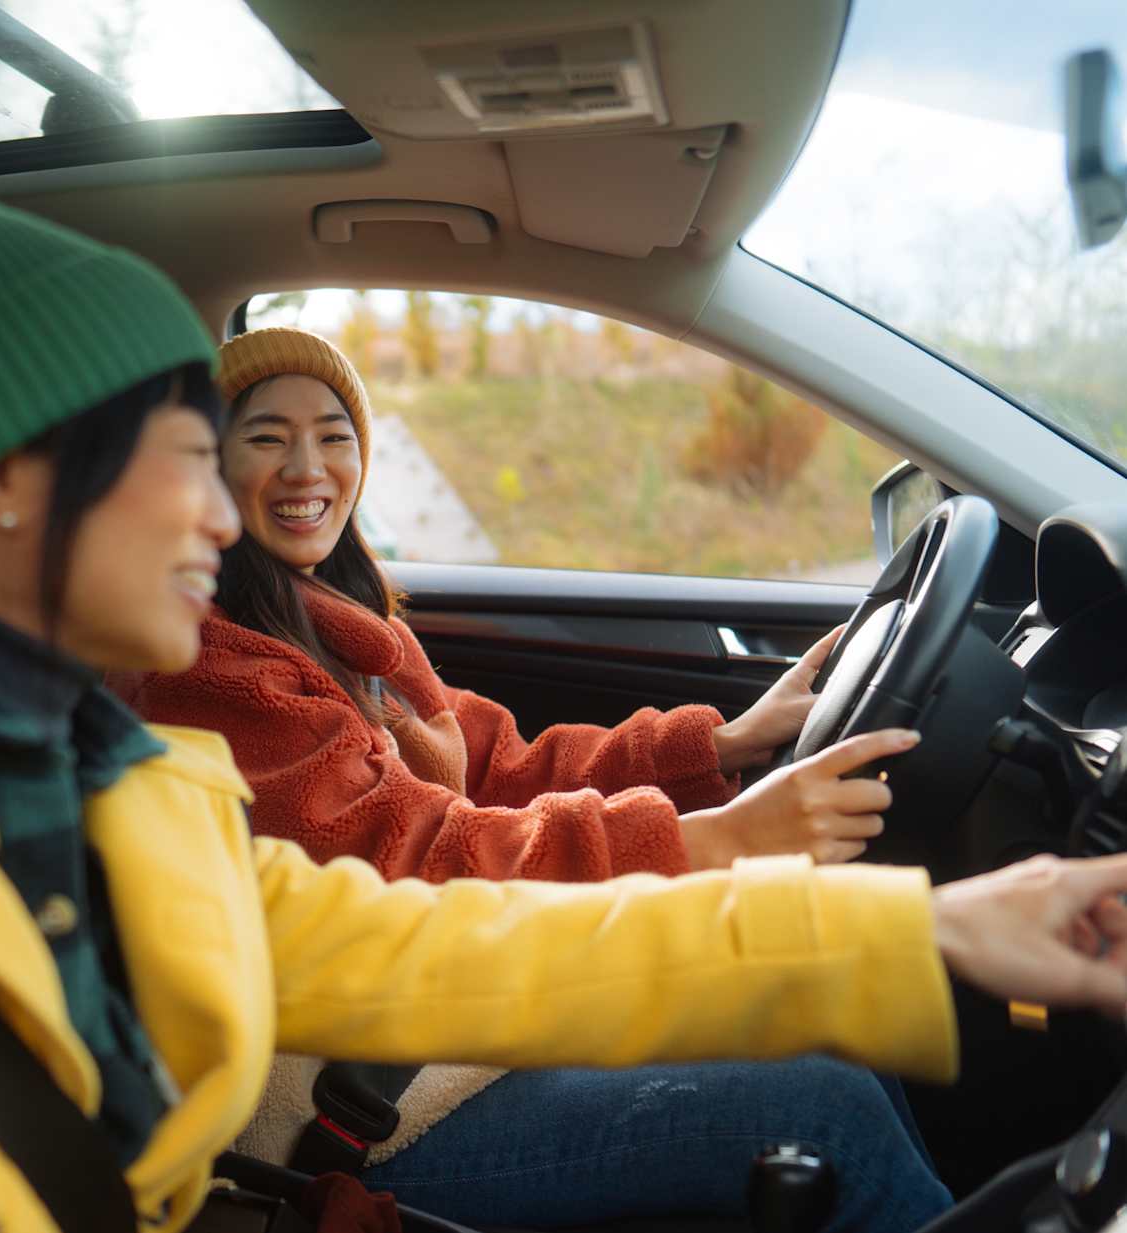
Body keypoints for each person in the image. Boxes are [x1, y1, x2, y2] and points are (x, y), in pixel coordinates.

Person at [0, 171, 1127, 1233]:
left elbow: (460, 946)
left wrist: (938, 925)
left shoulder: (125, 778)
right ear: (5, 482)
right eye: (177, 446)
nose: (228, 500)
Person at [109, 326, 944, 1227]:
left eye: (335, 435)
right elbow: (419, 864)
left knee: (830, 1000)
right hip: (353, 1106)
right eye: (266, 436)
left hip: (448, 1020)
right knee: (815, 1098)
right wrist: (709, 840)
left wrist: (722, 745)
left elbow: (501, 766)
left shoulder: (336, 620)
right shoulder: (211, 668)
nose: (307, 466)